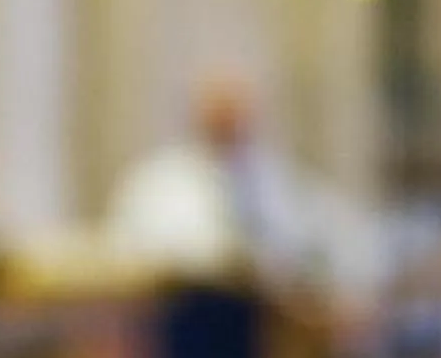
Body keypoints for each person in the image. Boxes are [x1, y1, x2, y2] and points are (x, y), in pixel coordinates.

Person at [108, 76, 362, 288]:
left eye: (236, 111)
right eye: (220, 111)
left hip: (267, 306)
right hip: (190, 304)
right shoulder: (161, 179)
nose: (229, 120)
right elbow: (140, 248)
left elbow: (320, 232)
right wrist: (226, 258)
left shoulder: (273, 177)